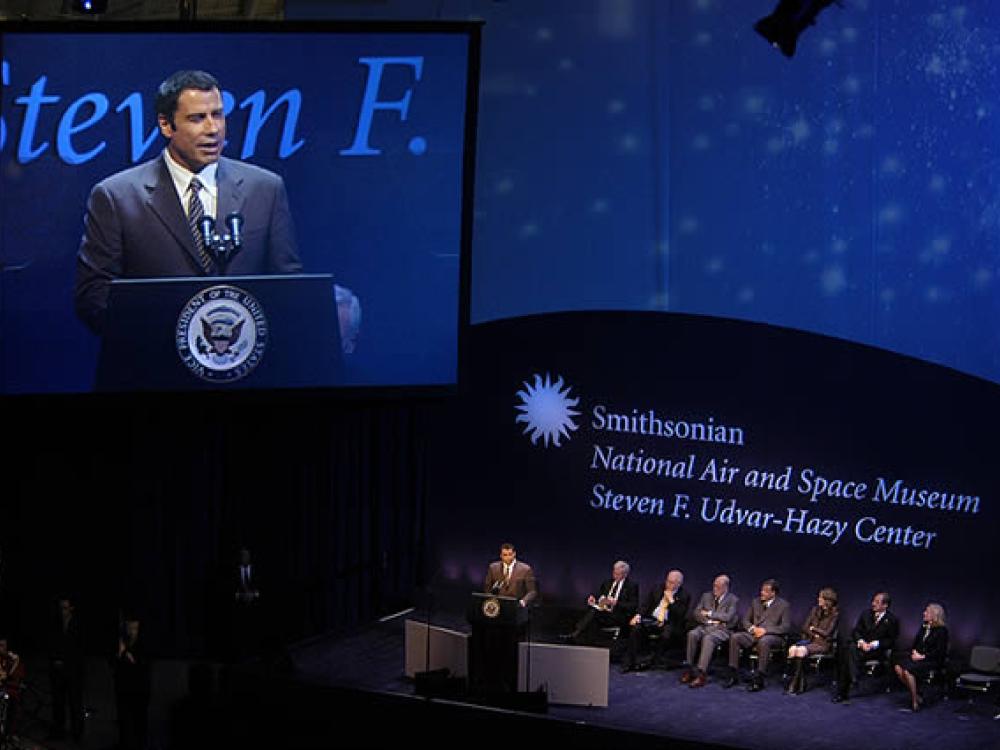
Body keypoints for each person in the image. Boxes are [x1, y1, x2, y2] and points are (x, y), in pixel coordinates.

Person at [74, 69, 304, 335]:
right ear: (165, 125)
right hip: (155, 365)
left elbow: (289, 286)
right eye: (197, 118)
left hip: (242, 361)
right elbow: (93, 296)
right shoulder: (116, 196)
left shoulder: (265, 189)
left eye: (217, 114)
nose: (213, 129)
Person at [725, 578, 791, 691]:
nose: (762, 593)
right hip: (753, 634)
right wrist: (752, 628)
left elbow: (785, 627)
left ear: (773, 593)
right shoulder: (755, 602)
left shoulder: (783, 605)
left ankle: (759, 678)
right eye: (762, 590)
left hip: (773, 636)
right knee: (736, 637)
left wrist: (765, 630)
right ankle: (733, 674)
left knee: (764, 641)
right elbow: (745, 620)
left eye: (765, 591)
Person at [833, 591, 899, 703]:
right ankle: (852, 680)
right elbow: (856, 631)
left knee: (848, 654)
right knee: (849, 650)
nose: (873, 604)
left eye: (877, 602)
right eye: (873, 601)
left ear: (885, 605)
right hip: (860, 648)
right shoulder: (866, 614)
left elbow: (891, 641)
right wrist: (861, 642)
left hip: (877, 651)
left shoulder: (892, 620)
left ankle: (844, 691)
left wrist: (874, 644)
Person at [622, 569, 690, 672]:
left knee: (667, 633)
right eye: (667, 581)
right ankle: (631, 662)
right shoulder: (658, 588)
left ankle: (655, 660)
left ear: (679, 584)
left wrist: (671, 600)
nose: (668, 584)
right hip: (651, 620)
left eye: (671, 583)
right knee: (636, 629)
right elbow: (645, 605)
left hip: (668, 623)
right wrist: (638, 615)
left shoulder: (684, 595)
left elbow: (680, 615)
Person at [681, 574, 739, 688]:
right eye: (714, 586)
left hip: (722, 630)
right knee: (692, 634)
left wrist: (709, 613)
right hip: (705, 626)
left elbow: (728, 617)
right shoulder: (706, 596)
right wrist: (710, 622)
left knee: (709, 638)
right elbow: (696, 613)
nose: (714, 589)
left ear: (725, 587)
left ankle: (701, 673)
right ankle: (690, 668)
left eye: (718, 587)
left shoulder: (733, 600)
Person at [565, 561, 639, 647]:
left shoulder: (631, 586)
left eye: (618, 574)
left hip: (618, 615)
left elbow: (633, 605)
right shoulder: (607, 583)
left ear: (625, 574)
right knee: (593, 611)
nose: (615, 576)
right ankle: (582, 638)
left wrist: (615, 603)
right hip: (604, 612)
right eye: (614, 573)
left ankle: (576, 635)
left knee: (594, 613)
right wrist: (593, 600)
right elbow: (599, 596)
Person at [893, 602, 948, 712]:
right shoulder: (923, 628)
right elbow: (915, 644)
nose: (924, 613)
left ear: (934, 615)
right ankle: (918, 695)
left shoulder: (942, 631)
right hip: (918, 658)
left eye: (926, 612)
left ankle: (914, 700)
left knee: (908, 670)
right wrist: (914, 652)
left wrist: (922, 656)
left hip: (932, 660)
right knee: (898, 667)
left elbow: (940, 652)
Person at [785, 586, 839, 694]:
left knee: (800, 651)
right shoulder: (815, 610)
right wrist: (815, 634)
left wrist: (814, 628)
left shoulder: (835, 614)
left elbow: (828, 633)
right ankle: (801, 682)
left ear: (827, 600)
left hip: (823, 644)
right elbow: (804, 626)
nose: (818, 599)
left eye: (820, 598)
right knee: (793, 649)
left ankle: (794, 683)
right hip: (810, 641)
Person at [49, 596, 86, 742]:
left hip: (73, 671)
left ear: (71, 608)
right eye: (61, 607)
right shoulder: (56, 623)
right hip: (58, 671)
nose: (62, 611)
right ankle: (58, 731)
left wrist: (66, 662)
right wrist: (55, 661)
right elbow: (51, 643)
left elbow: (80, 649)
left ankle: (77, 734)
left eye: (65, 607)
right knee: (58, 702)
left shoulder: (78, 625)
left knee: (75, 703)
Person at [115, 616, 152, 750]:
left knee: (140, 721)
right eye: (129, 627)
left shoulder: (144, 643)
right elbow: (114, 665)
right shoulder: (122, 642)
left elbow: (144, 664)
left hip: (140, 689)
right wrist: (119, 654)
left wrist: (128, 656)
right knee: (124, 720)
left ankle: (140, 745)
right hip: (124, 688)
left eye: (134, 628)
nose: (131, 631)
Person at [483, 543, 537, 608]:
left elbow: (532, 591)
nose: (508, 557)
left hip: (517, 607)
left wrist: (523, 602)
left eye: (510, 554)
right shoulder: (493, 568)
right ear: (501, 555)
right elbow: (487, 588)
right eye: (505, 555)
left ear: (514, 554)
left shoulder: (525, 569)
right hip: (498, 607)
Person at [0, 635, 26, 742]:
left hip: (8, 690)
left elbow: (17, 677)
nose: (1, 648)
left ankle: (12, 732)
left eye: (2, 646)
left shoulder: (13, 659)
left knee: (14, 700)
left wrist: (14, 663)